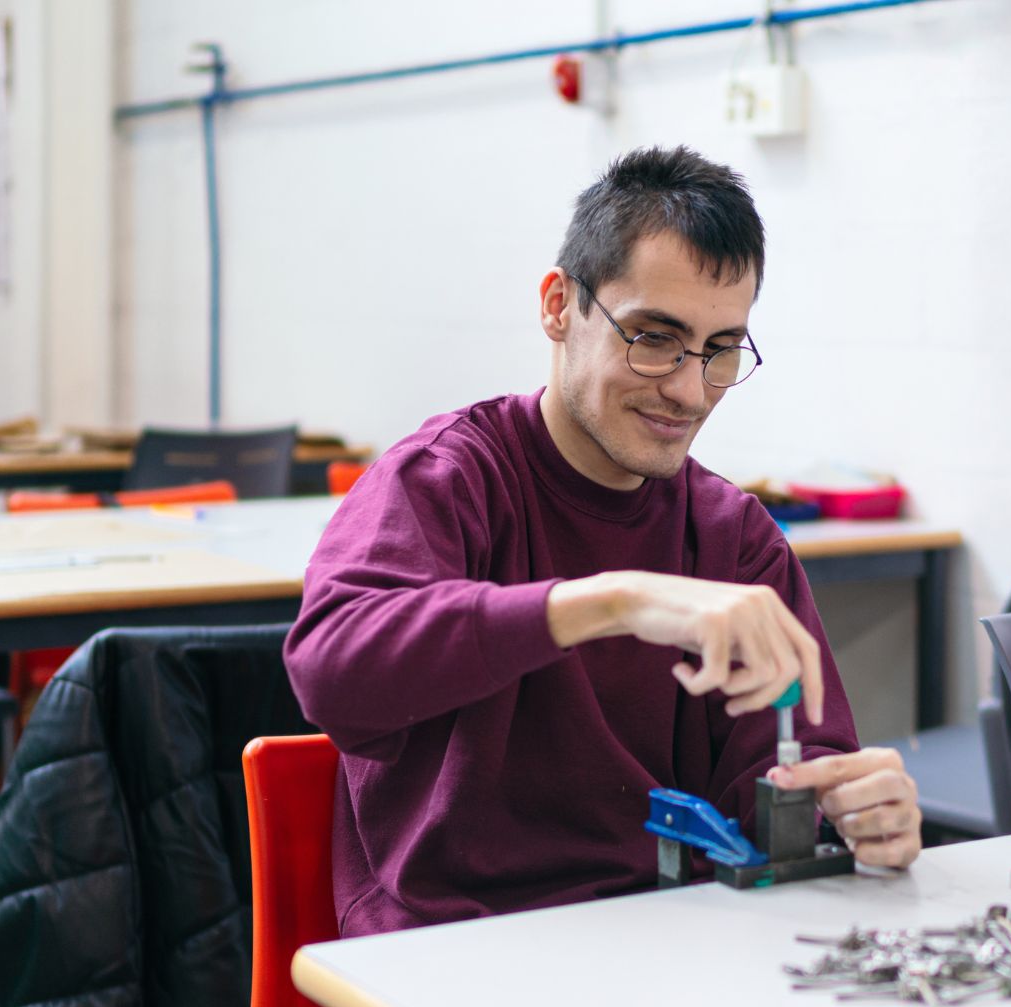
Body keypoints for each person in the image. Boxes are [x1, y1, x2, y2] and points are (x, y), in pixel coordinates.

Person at [284, 146, 920, 935]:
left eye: (721, 350)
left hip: (668, 940)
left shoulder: (735, 539)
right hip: (456, 949)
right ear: (559, 306)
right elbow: (331, 671)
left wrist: (847, 811)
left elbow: (784, 777)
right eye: (654, 337)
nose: (690, 391)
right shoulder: (444, 480)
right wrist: (613, 601)